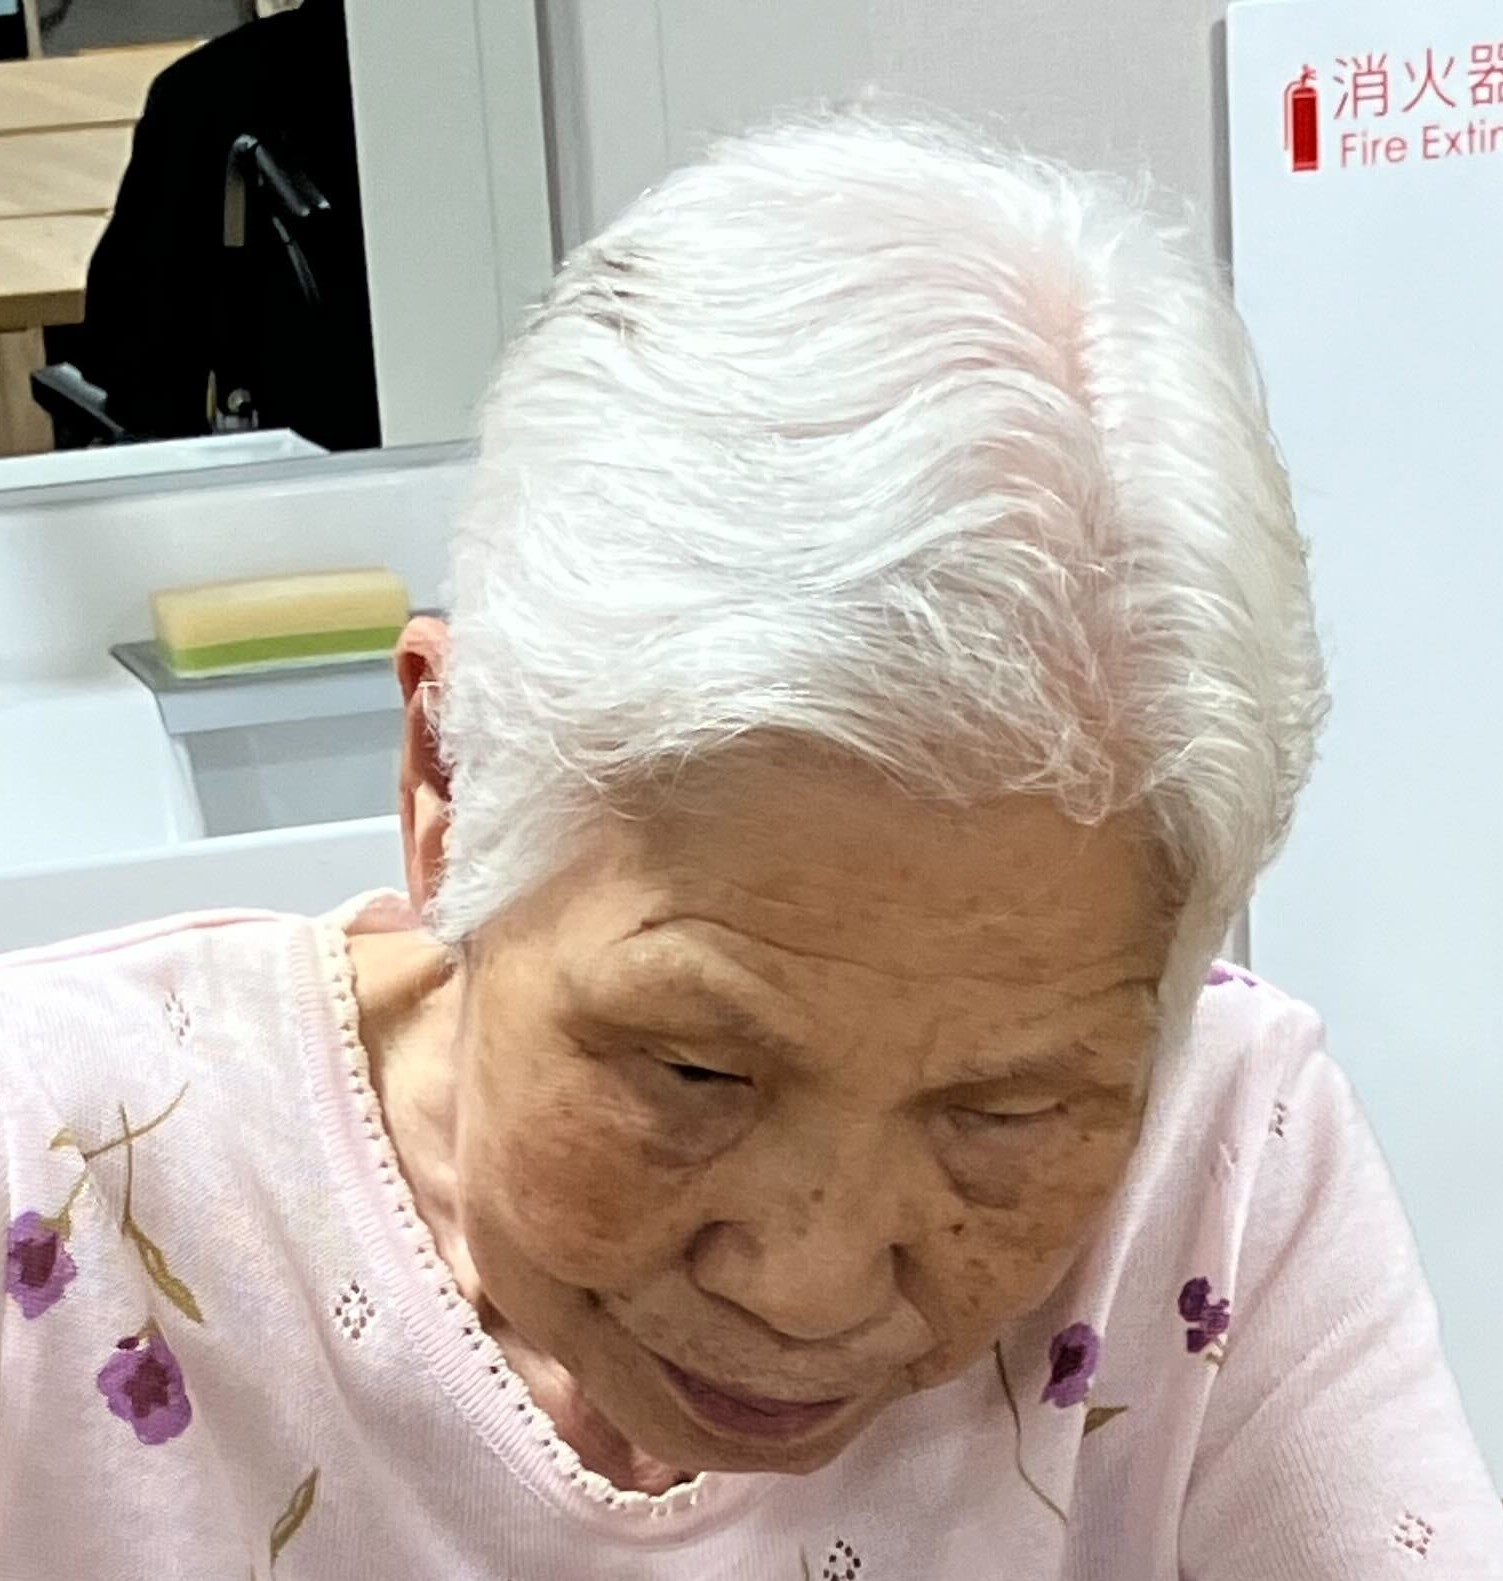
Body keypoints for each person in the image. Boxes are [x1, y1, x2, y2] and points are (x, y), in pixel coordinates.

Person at [3, 106, 1500, 1579]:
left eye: (1006, 1115)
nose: (810, 1285)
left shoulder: (1222, 1148)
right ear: (447, 783)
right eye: (693, 1073)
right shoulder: (55, 1165)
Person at [72, 0, 379, 451]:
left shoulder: (208, 92)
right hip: (474, 454)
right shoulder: (478, 79)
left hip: (289, 467)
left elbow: (131, 361)